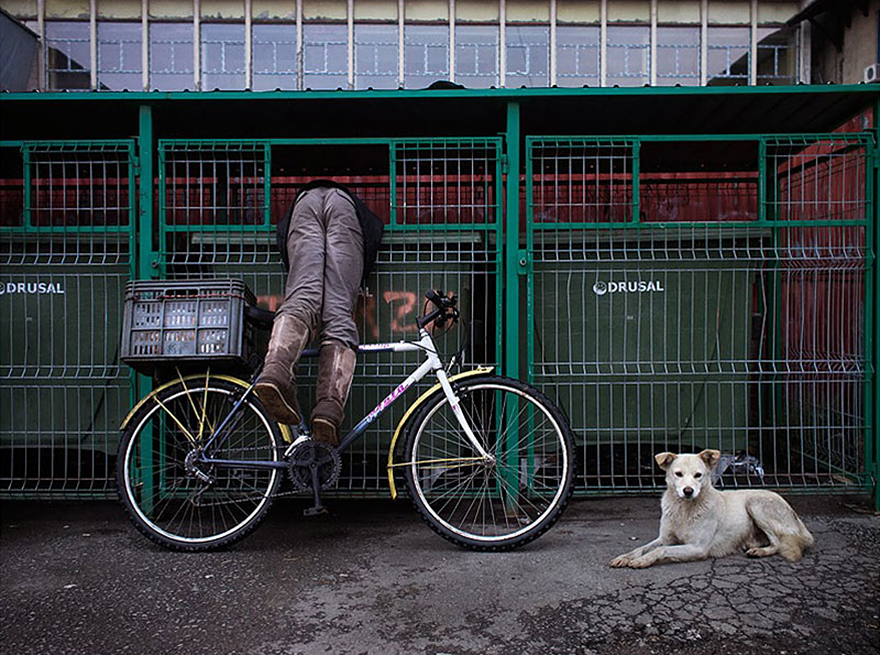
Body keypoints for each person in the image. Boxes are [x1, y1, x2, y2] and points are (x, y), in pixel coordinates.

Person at [255, 180, 383, 446]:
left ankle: (276, 372)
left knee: (302, 297)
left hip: (303, 204)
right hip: (345, 209)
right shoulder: (346, 201)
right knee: (338, 313)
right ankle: (328, 408)